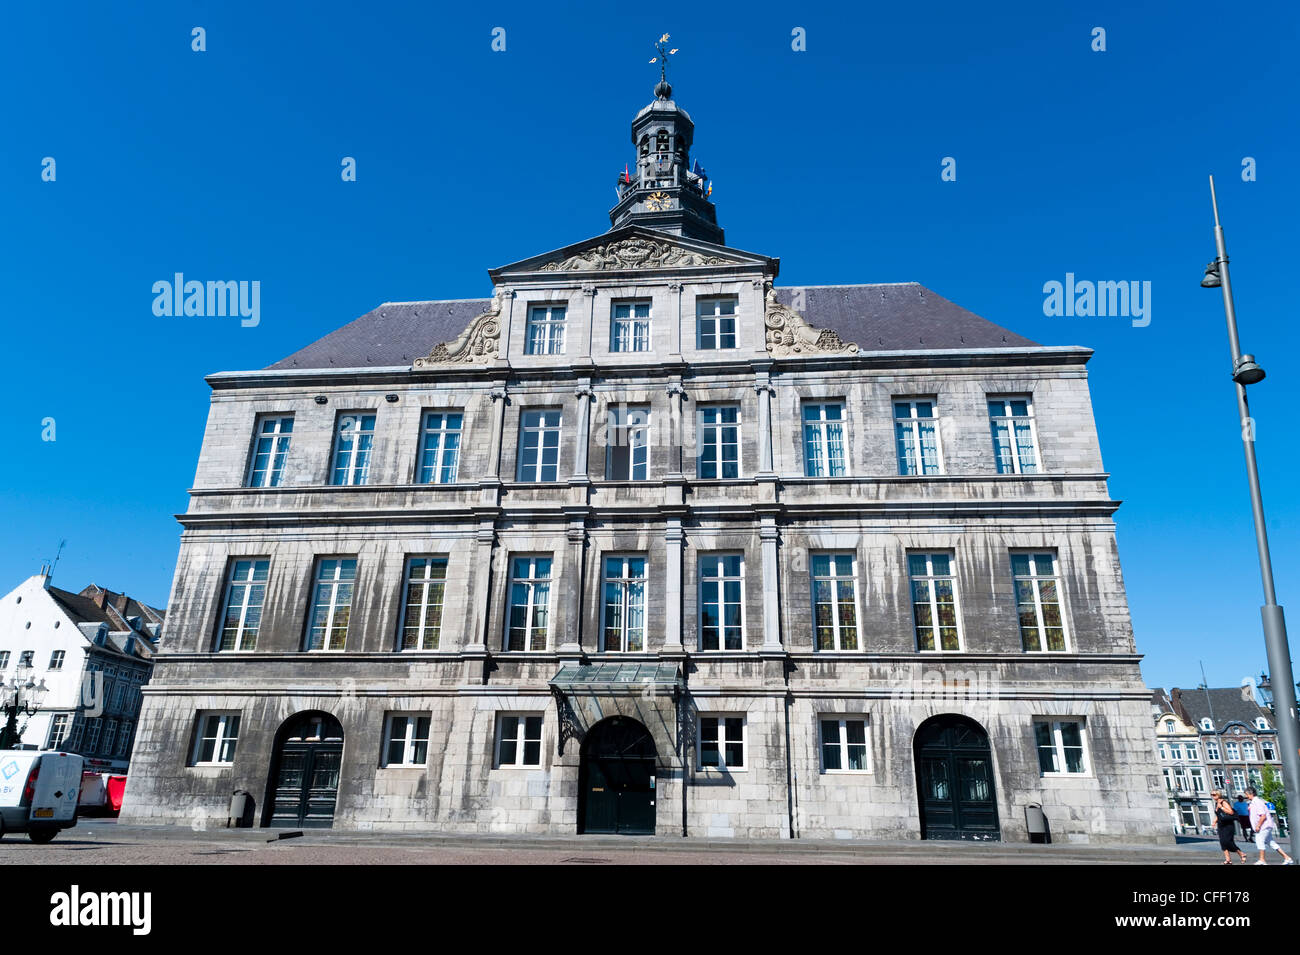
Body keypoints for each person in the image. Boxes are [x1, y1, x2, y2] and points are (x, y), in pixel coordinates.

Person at [1247, 786, 1294, 865]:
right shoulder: (1254, 802)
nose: (1246, 796)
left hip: (1263, 826)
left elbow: (1263, 815)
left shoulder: (1257, 802)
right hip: (1265, 825)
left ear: (1251, 794)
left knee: (1259, 840)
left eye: (1247, 794)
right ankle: (1287, 858)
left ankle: (1262, 859)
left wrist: (1258, 825)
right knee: (1271, 843)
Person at [1212, 791, 1248, 864]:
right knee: (1222, 842)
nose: (1213, 796)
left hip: (1228, 825)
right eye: (1212, 795)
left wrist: (1221, 807)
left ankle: (1241, 854)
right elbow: (1219, 814)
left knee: (1228, 842)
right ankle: (1228, 860)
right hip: (1221, 825)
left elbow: (1231, 812)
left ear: (1218, 795)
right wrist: (1214, 821)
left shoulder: (1223, 802)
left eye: (1214, 794)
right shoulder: (1216, 803)